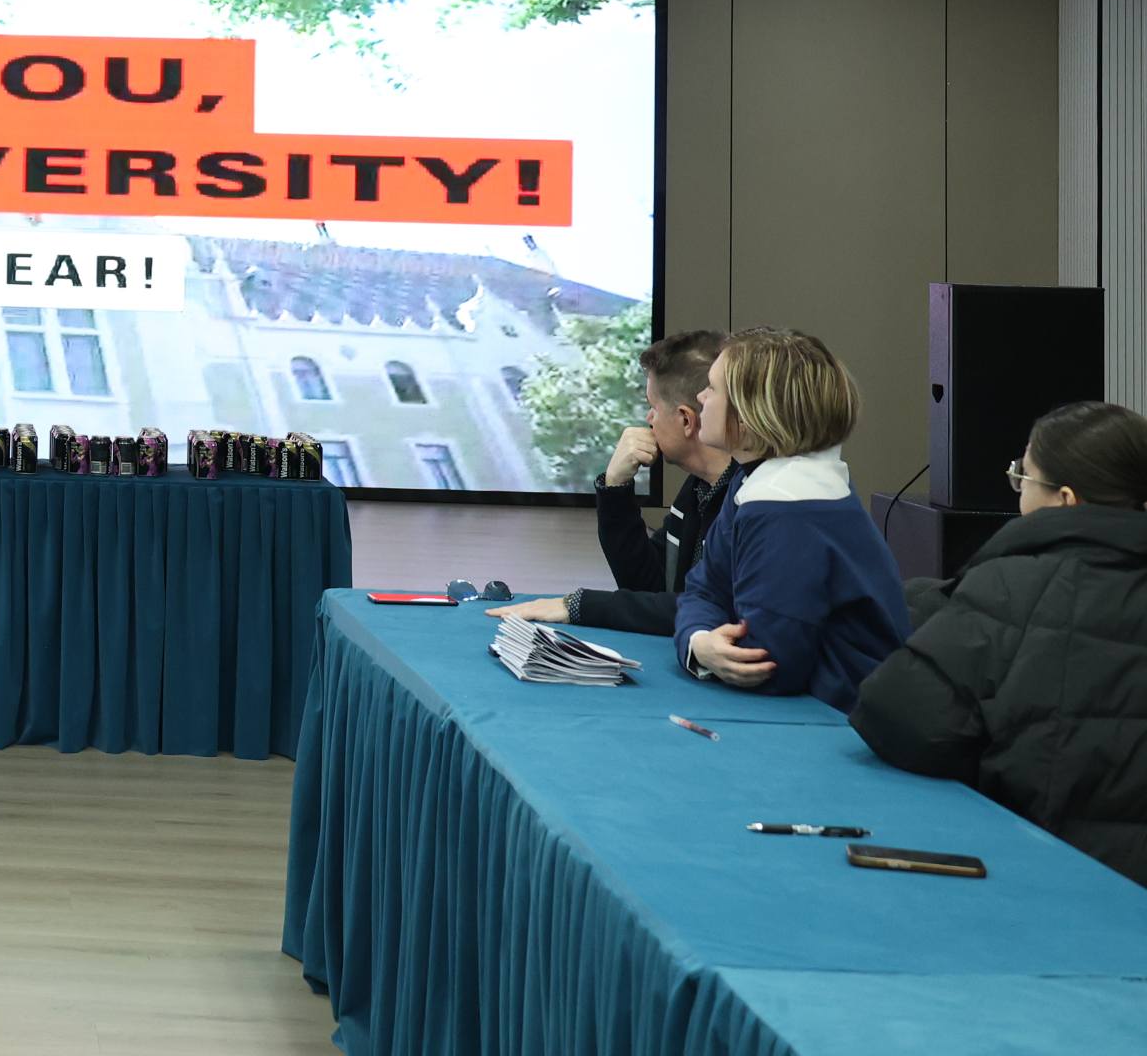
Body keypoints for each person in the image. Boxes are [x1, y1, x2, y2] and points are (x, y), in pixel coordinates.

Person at [849, 401, 1147, 886]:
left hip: (1044, 876)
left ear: (1065, 499)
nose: (1018, 490)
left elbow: (896, 716)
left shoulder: (1011, 585)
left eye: (1023, 477)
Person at [672, 326, 909, 711]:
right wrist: (699, 641)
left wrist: (702, 644)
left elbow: (766, 665)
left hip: (837, 720)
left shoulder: (786, 507)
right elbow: (703, 588)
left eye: (712, 388)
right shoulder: (754, 479)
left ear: (750, 416)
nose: (700, 396)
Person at [487, 329, 727, 635]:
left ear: (685, 419)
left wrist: (577, 606)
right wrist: (615, 488)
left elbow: (714, 610)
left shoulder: (750, 498)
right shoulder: (698, 489)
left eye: (653, 407)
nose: (648, 419)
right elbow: (648, 587)